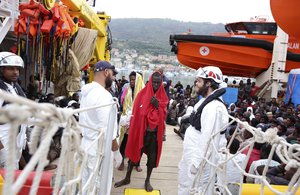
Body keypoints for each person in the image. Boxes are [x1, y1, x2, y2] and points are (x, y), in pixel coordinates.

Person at [178, 66, 229, 195]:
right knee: (185, 185)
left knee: (197, 189)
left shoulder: (213, 108)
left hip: (199, 161)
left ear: (208, 83)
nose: (196, 84)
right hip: (192, 155)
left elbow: (208, 139)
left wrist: (196, 163)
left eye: (199, 81)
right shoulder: (206, 102)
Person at [114, 71, 168, 192]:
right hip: (141, 132)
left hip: (154, 135)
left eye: (158, 83)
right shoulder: (142, 95)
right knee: (134, 155)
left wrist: (158, 106)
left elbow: (164, 115)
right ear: (149, 81)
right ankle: (127, 177)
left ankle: (147, 180)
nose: (156, 85)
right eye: (154, 82)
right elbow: (138, 113)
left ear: (161, 83)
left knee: (152, 159)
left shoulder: (163, 96)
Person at [79, 60, 119, 195]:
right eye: (113, 75)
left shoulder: (86, 92)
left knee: (86, 182)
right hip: (99, 148)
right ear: (106, 72)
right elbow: (106, 125)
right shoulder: (103, 95)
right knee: (98, 185)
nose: (113, 78)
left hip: (87, 144)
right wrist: (115, 144)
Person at [0, 52, 27, 169]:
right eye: (11, 69)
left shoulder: (14, 87)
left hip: (16, 139)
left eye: (17, 69)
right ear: (1, 70)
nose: (15, 72)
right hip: (4, 139)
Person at [118, 71, 145, 171]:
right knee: (124, 141)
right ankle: (121, 161)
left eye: (133, 79)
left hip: (138, 121)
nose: (131, 81)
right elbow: (123, 103)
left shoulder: (143, 91)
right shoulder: (127, 90)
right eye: (130, 79)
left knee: (138, 144)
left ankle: (137, 163)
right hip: (128, 121)